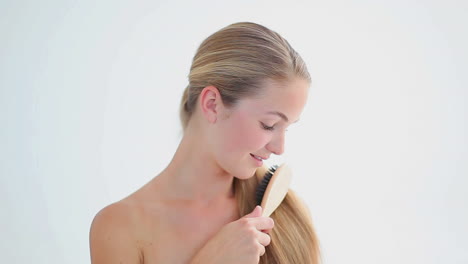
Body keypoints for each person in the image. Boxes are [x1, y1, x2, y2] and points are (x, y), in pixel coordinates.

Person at [89, 21, 321, 264]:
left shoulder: (287, 214)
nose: (279, 148)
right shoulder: (119, 228)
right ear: (212, 104)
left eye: (287, 128)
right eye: (269, 125)